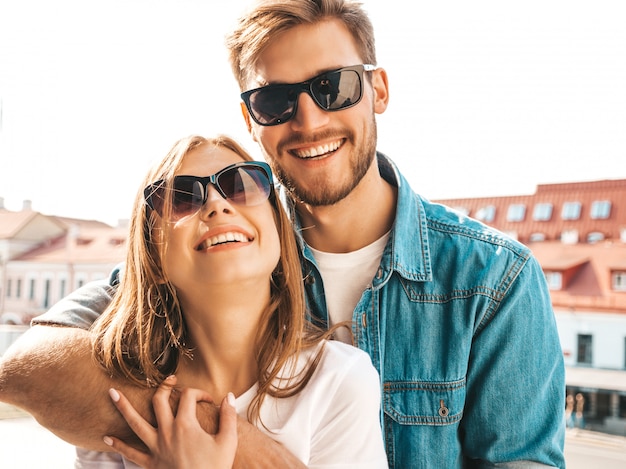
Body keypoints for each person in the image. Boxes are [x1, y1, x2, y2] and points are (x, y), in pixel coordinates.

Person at [0, 0, 566, 467]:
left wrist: (233, 455)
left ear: (380, 91)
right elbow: (37, 362)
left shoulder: (494, 280)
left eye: (334, 87)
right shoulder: (225, 253)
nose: (310, 120)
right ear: (251, 120)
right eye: (274, 100)